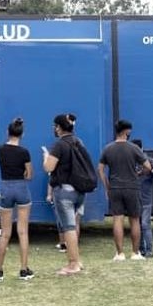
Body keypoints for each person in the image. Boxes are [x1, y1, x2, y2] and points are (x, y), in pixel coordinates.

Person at [42, 113, 91, 276]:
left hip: (64, 191)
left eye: (55, 126)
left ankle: (73, 263)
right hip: (80, 190)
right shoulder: (78, 142)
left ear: (58, 127)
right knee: (74, 224)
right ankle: (77, 259)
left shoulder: (59, 145)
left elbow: (49, 168)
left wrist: (45, 157)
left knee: (68, 228)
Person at [99, 119, 152, 262]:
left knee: (117, 219)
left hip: (115, 188)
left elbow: (101, 169)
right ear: (127, 131)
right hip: (132, 187)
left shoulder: (108, 148)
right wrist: (139, 174)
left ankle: (119, 253)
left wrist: (107, 186)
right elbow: (148, 166)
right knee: (134, 220)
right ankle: (135, 253)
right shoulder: (134, 148)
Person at [0, 117, 34, 281]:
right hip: (21, 187)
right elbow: (29, 175)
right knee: (23, 232)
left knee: (5, 233)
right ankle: (24, 270)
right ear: (22, 134)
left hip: (6, 187)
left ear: (7, 132)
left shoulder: (0, 149)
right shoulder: (24, 152)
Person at [133, 138, 153, 259]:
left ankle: (149, 250)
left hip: (145, 199)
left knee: (144, 224)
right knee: (138, 225)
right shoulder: (131, 161)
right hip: (136, 198)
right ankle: (141, 250)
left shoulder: (149, 161)